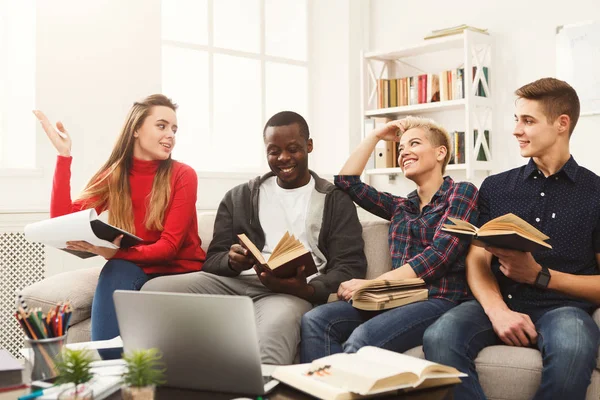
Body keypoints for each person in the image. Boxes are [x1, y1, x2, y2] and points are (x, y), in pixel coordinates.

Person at [423, 78, 600, 400]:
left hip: (564, 310)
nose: (516, 130)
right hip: (498, 301)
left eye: (528, 121)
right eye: (516, 120)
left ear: (562, 124)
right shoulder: (496, 187)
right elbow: (477, 259)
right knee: (441, 335)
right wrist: (497, 310)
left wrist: (540, 277)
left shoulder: (596, 193)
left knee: (574, 345)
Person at [142, 111, 367, 365]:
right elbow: (213, 259)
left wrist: (307, 289)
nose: (283, 158)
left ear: (309, 146)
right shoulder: (239, 197)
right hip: (236, 282)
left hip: (289, 291)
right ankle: (155, 381)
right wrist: (231, 260)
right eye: (274, 151)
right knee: (153, 290)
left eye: (293, 149)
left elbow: (351, 266)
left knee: (276, 330)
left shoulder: (334, 199)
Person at [35, 94, 206, 358]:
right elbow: (62, 222)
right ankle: (110, 374)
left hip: (180, 271)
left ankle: (111, 372)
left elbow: (169, 248)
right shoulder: (114, 175)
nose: (170, 135)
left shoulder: (183, 175)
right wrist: (63, 156)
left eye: (174, 129)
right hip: (135, 266)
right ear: (136, 129)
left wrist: (114, 253)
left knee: (116, 265)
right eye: (161, 126)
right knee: (116, 269)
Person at [300, 116, 479, 362]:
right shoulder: (401, 207)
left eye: (414, 144)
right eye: (401, 148)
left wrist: (374, 284)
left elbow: (440, 255)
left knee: (362, 340)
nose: (404, 152)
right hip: (395, 298)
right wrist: (375, 136)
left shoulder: (462, 192)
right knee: (316, 320)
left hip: (439, 299)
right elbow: (346, 182)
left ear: (440, 153)